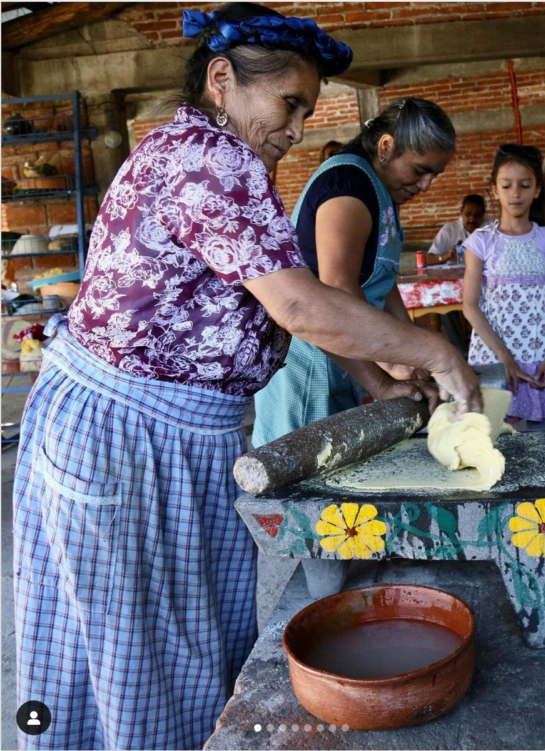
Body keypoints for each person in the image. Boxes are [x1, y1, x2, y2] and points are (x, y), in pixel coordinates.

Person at [11, 5, 480, 750]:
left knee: (151, 648)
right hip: (127, 432)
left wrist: (381, 384)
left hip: (162, 433)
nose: (297, 128)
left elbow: (299, 304)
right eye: (289, 104)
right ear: (222, 79)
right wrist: (438, 355)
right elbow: (304, 302)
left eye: (307, 109)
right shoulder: (209, 158)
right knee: (141, 654)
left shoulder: (211, 155)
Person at [253, 97, 456, 446]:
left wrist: (409, 351)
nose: (425, 186)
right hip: (310, 362)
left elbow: (382, 280)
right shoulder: (348, 185)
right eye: (420, 170)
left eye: (433, 176)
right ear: (386, 147)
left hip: (345, 356)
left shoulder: (382, 193)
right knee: (303, 471)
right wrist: (392, 365)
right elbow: (338, 290)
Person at [462, 144, 545, 428]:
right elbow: (469, 305)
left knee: (543, 438)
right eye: (507, 186)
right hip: (493, 354)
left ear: (537, 190)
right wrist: (504, 358)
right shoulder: (481, 241)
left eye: (525, 185)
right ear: (495, 190)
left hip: (539, 352)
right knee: (493, 435)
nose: (515, 193)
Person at [425, 193, 487, 266]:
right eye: (468, 214)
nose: (471, 219)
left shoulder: (492, 229)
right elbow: (427, 259)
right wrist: (446, 256)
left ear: (483, 215)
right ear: (461, 211)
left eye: (477, 216)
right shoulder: (449, 230)